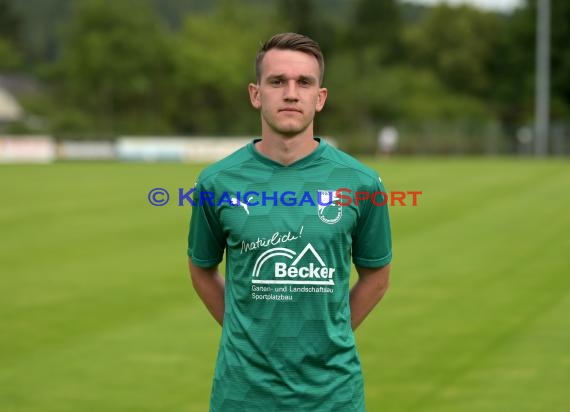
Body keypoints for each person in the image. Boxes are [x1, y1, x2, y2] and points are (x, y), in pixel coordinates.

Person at [187, 32, 392, 411]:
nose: (291, 93)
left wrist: (331, 336)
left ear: (320, 97)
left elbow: (376, 276)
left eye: (304, 82)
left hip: (332, 396)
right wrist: (244, 332)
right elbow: (201, 269)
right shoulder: (216, 182)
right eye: (277, 81)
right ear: (256, 94)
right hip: (242, 395)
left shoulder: (362, 183)